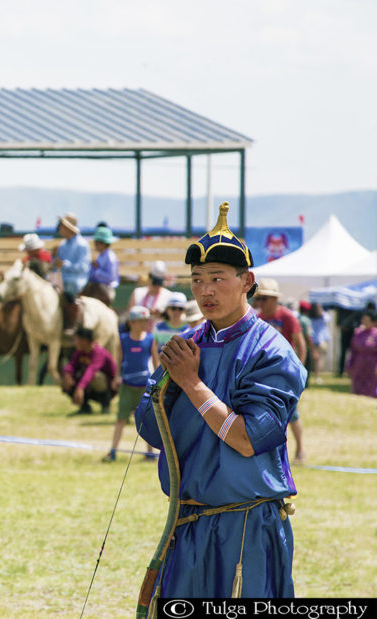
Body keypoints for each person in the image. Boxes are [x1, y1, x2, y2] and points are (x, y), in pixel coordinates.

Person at [135, 202, 306, 600]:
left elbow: (248, 439)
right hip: (188, 524)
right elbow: (150, 426)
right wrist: (167, 386)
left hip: (245, 526)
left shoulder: (271, 352)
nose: (205, 290)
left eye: (217, 278)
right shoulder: (189, 343)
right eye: (197, 280)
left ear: (247, 280)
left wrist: (191, 384)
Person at [254, 278, 307, 463]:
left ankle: (300, 449)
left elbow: (300, 345)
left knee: (292, 413)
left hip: (285, 374)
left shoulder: (287, 317)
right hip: (264, 374)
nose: (261, 303)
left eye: (265, 299)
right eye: (259, 299)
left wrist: (298, 373)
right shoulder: (257, 319)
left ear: (275, 299)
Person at [104, 306, 159, 462]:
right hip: (128, 385)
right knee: (121, 418)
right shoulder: (123, 340)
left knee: (146, 419)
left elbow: (155, 360)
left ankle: (150, 452)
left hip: (144, 385)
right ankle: (113, 450)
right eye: (141, 321)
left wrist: (156, 380)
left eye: (145, 321)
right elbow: (119, 360)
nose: (144, 324)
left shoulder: (150, 339)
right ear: (132, 323)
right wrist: (116, 377)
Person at [61, 327, 118, 414]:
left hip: (108, 388)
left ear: (84, 341)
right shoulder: (80, 352)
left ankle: (105, 404)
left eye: (76, 340)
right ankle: (85, 407)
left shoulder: (99, 353)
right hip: (89, 387)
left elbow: (91, 371)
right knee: (67, 379)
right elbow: (71, 365)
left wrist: (80, 387)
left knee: (96, 376)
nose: (75, 342)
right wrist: (67, 374)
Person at [52, 212, 91, 333]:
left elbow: (83, 267)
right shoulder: (62, 245)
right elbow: (57, 265)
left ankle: (71, 323)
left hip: (76, 279)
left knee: (68, 288)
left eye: (62, 226)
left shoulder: (82, 244)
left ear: (68, 228)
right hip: (61, 277)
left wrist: (64, 264)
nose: (59, 229)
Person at [82, 224, 119, 308]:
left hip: (106, 290)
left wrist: (97, 270)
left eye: (97, 242)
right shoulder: (101, 256)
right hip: (98, 288)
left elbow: (110, 278)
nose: (95, 244)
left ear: (103, 243)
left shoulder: (110, 257)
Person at [346, 308, 377, 398]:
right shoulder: (357, 332)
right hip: (359, 363)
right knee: (357, 387)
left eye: (367, 320)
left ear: (374, 322)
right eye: (363, 320)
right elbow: (353, 350)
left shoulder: (375, 334)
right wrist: (350, 365)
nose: (364, 322)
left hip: (372, 364)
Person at [306, 302, 331, 384]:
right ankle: (317, 376)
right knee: (318, 360)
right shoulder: (323, 316)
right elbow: (328, 318)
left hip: (311, 339)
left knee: (310, 360)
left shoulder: (309, 317)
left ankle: (309, 376)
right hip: (321, 340)